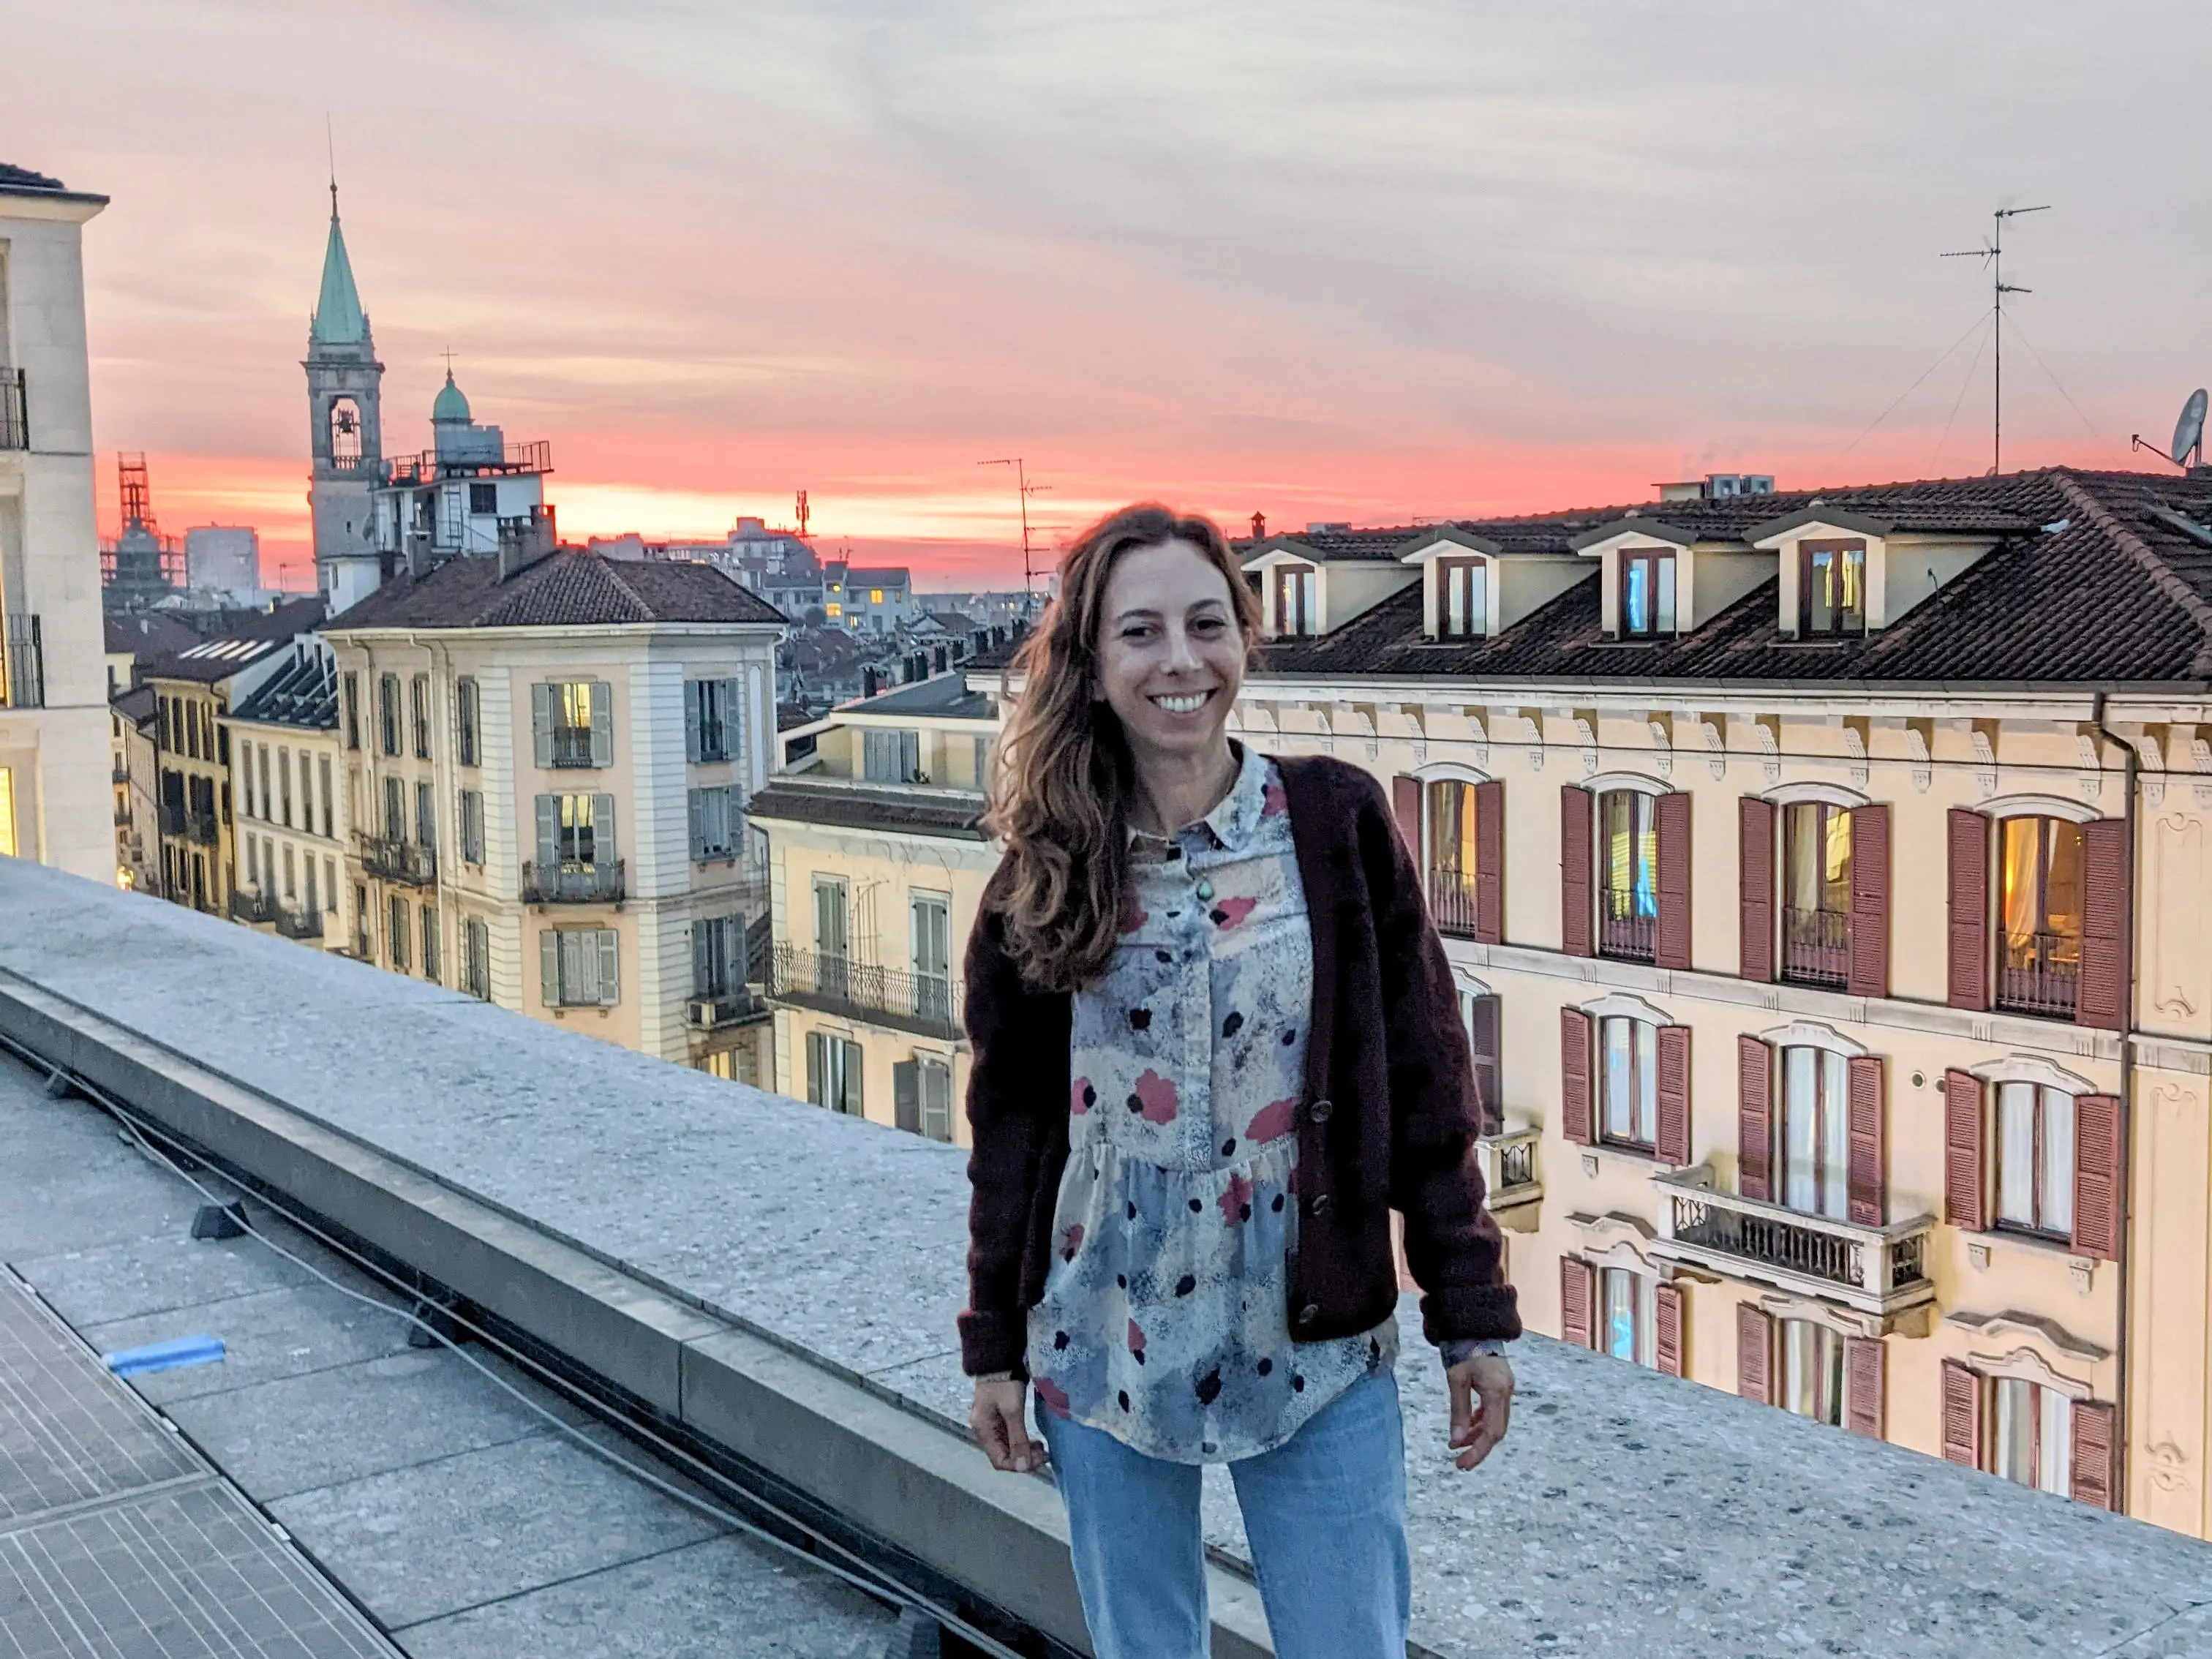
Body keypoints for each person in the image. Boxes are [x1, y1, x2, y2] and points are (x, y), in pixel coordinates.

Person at [958, 503, 1521, 1659]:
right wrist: (994, 1347)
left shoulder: (1334, 821)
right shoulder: (1045, 872)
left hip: (1313, 1330)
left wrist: (1470, 1315)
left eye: (1206, 625)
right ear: (1095, 664)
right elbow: (1011, 1130)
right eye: (1142, 632)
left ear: (1244, 640)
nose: (1180, 661)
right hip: (1102, 1329)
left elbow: (1425, 1076)